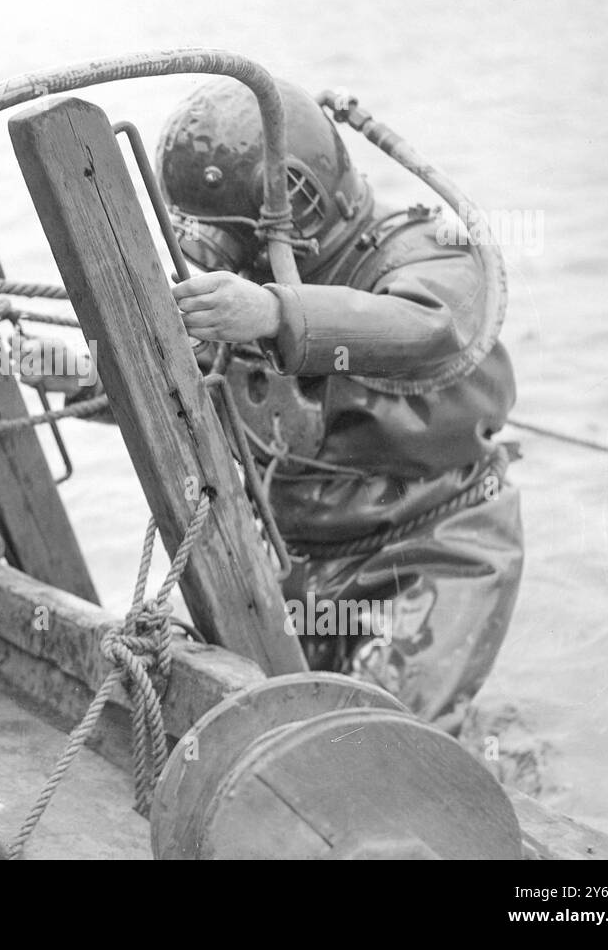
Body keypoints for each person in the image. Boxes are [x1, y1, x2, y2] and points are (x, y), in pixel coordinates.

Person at [160, 77, 522, 727]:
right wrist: (78, 371)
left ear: (300, 200)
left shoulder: (425, 252)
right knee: (245, 720)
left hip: (434, 543)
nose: (231, 259)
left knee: (383, 736)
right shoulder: (243, 289)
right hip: (298, 556)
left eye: (236, 237)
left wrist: (276, 313)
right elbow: (178, 387)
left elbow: (433, 329)